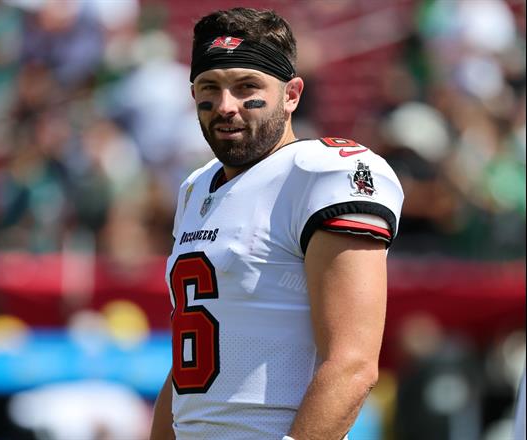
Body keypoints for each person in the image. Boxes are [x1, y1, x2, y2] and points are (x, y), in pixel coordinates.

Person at [150, 7, 404, 440]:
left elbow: (352, 365)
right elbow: (189, 364)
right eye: (210, 87)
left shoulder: (321, 173)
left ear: (292, 94)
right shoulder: (196, 187)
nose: (226, 106)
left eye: (247, 86)